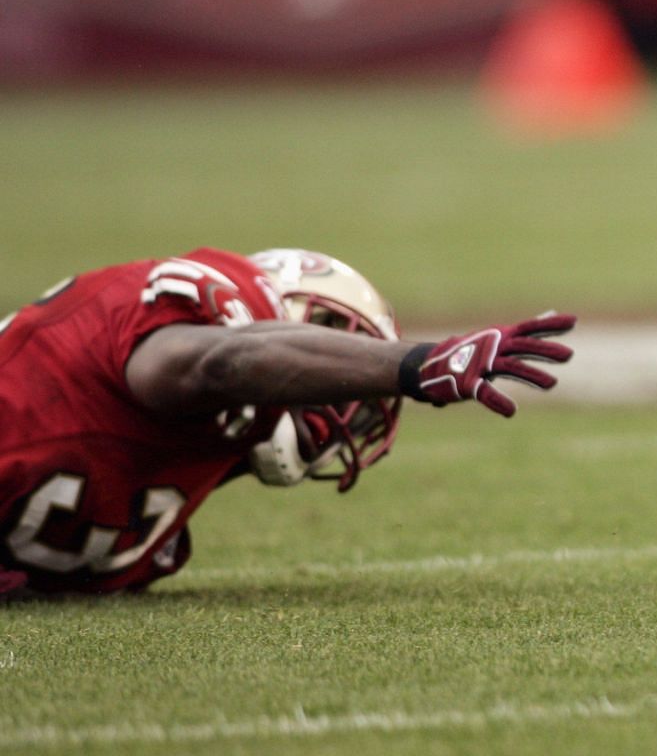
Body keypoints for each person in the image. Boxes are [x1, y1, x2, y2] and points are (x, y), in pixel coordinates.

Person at [0, 247, 574, 597]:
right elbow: (218, 362)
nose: (345, 401)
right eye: (339, 362)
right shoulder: (204, 311)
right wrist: (413, 366)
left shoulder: (177, 496)